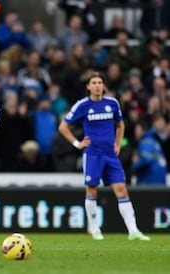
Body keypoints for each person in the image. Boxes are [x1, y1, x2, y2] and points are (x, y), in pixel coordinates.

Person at [58, 71, 150, 241]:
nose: (97, 85)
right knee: (92, 190)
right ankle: (94, 229)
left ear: (104, 85)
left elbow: (120, 124)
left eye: (100, 82)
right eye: (93, 82)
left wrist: (118, 143)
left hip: (110, 154)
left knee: (122, 190)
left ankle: (133, 231)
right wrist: (77, 144)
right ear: (88, 86)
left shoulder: (112, 103)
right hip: (92, 154)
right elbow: (63, 127)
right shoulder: (82, 105)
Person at [132, 112, 168, 185]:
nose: (135, 132)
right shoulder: (155, 141)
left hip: (149, 182)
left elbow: (146, 160)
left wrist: (135, 164)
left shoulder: (146, 141)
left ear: (143, 130)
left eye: (137, 129)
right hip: (160, 182)